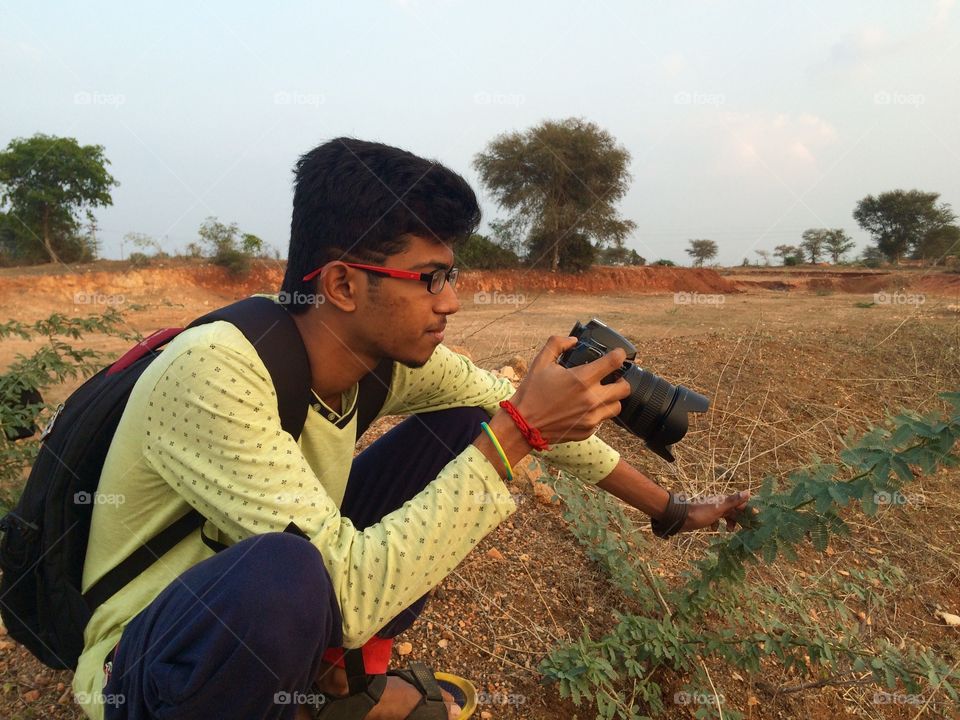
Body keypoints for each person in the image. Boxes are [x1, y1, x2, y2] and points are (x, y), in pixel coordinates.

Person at [73, 138, 751, 720]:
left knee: (466, 426)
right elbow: (347, 591)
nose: (451, 300)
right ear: (341, 285)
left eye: (450, 274)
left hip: (276, 601)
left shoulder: (378, 358)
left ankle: (339, 686)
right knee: (287, 577)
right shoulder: (215, 369)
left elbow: (516, 411)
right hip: (149, 656)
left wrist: (671, 511)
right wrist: (517, 433)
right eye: (429, 278)